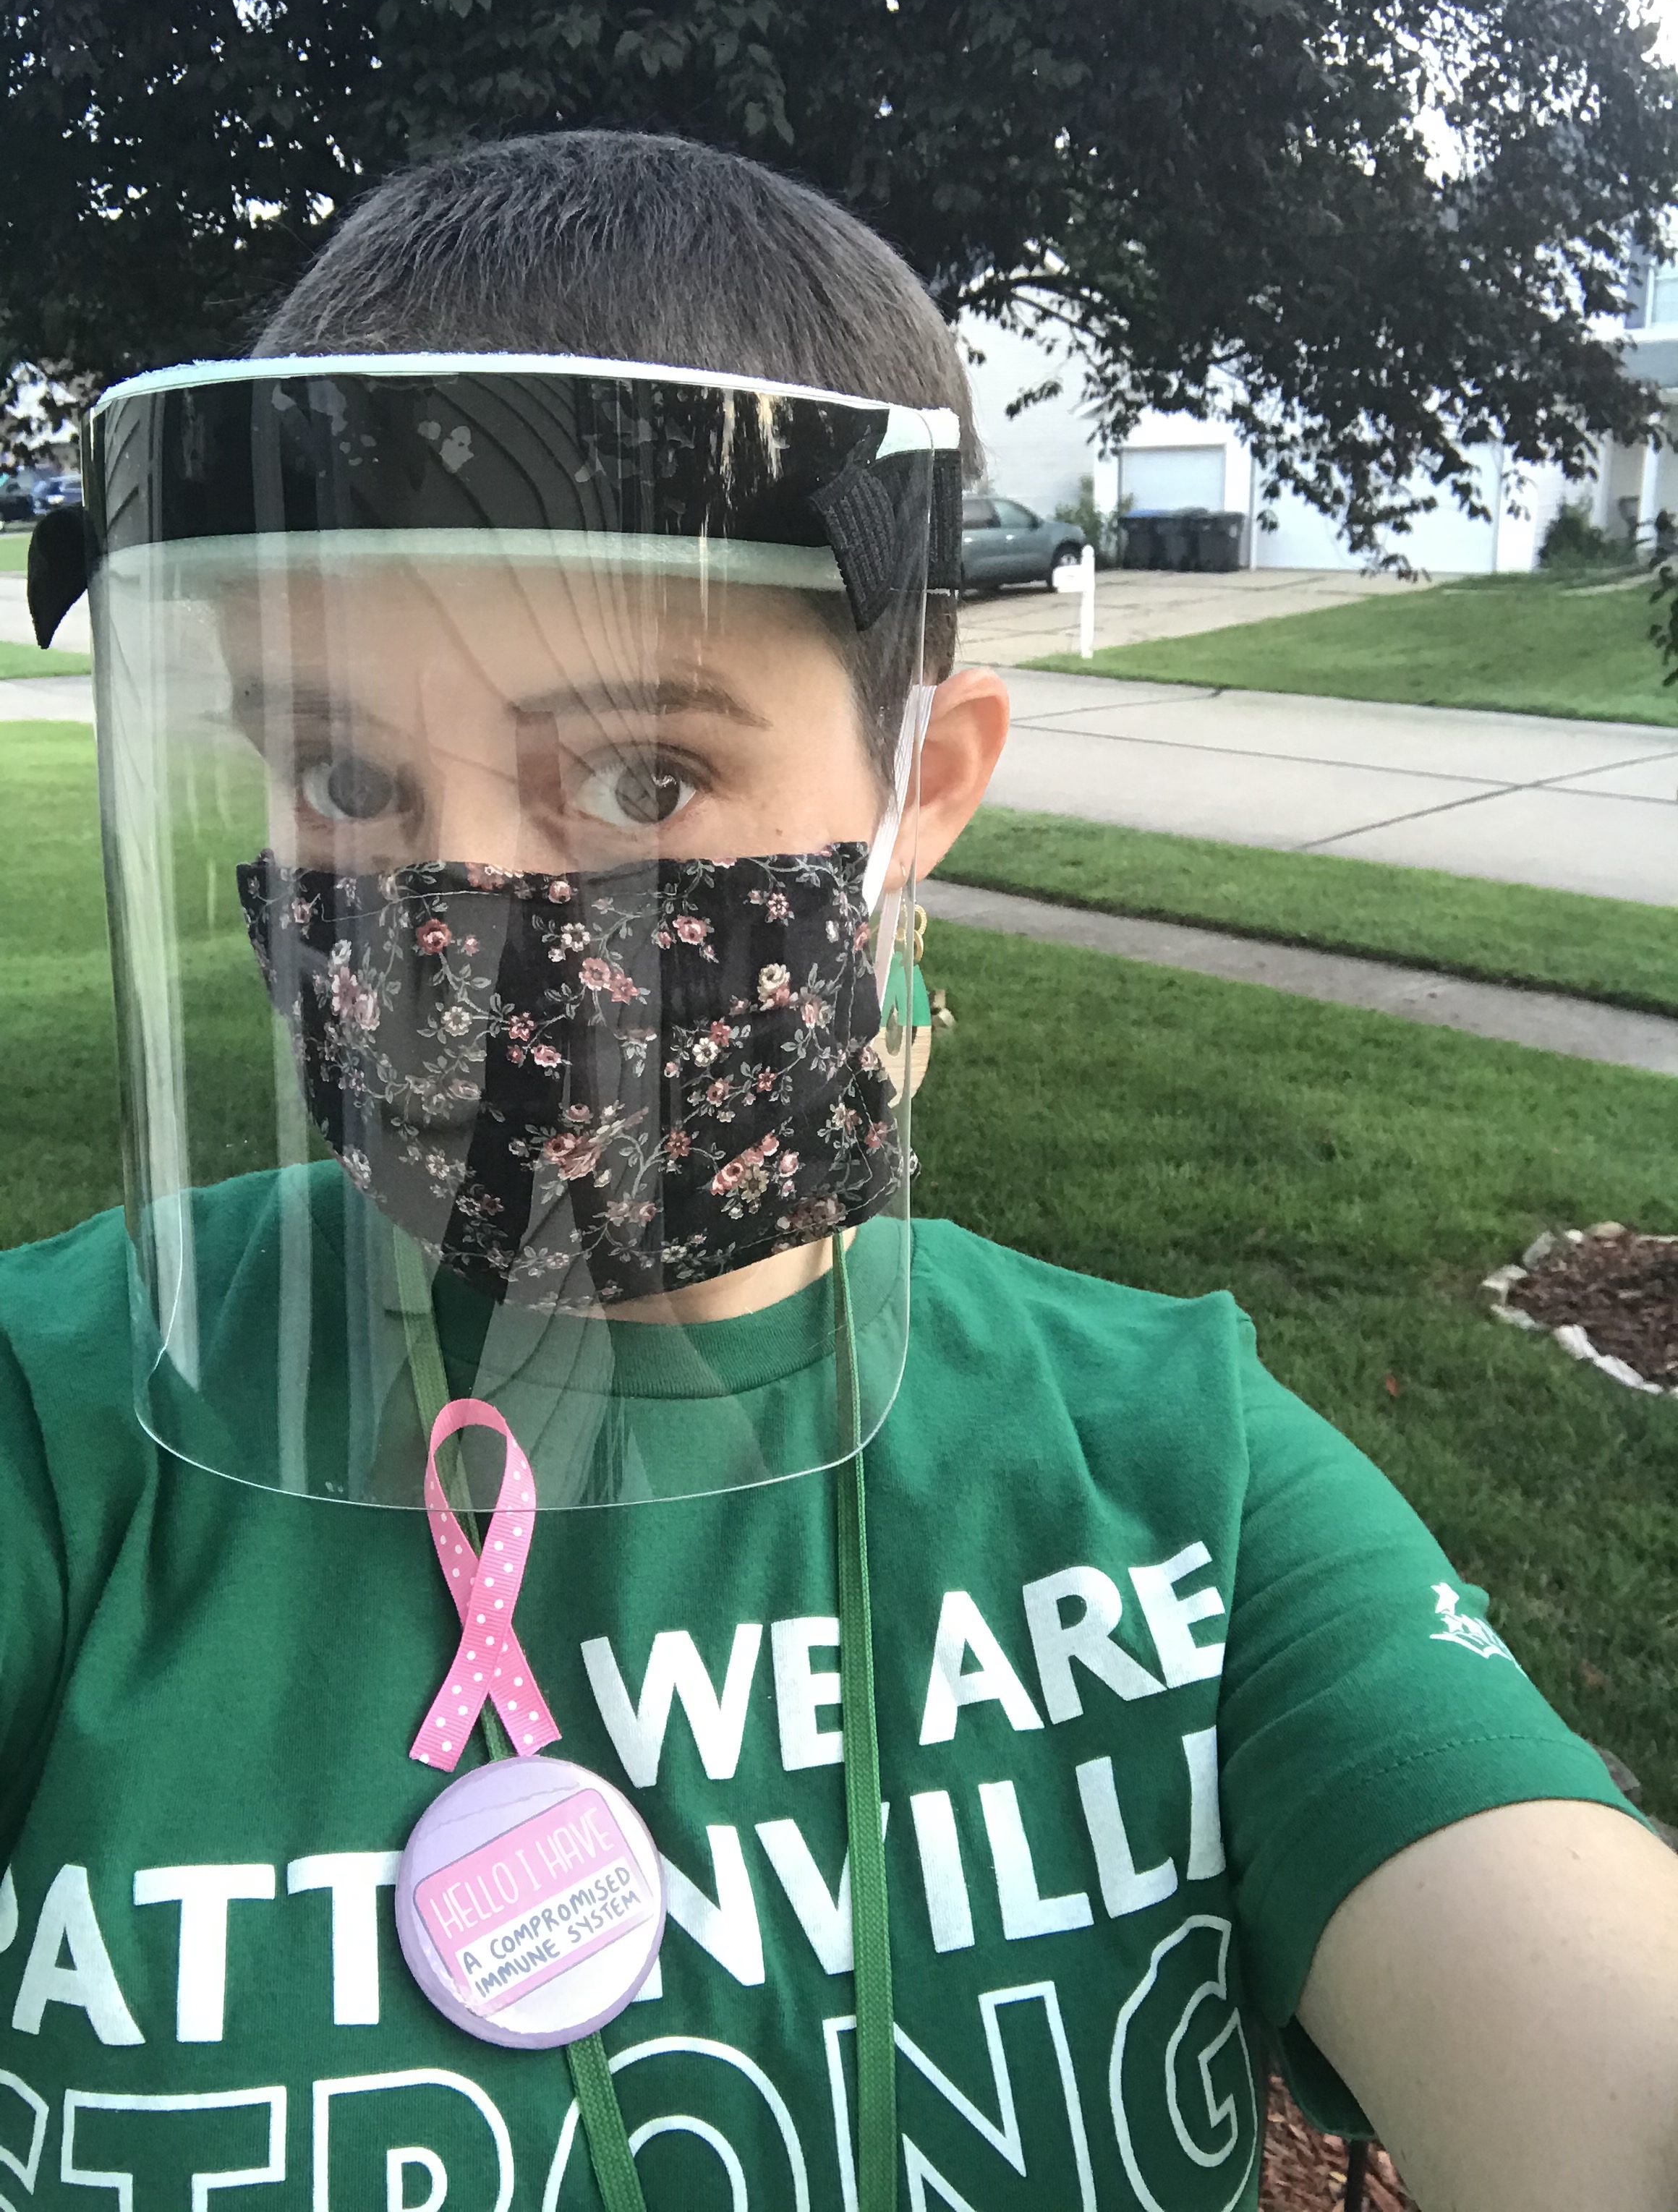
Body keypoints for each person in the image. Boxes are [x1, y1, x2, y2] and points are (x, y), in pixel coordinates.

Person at [3, 131, 1676, 2212]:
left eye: (643, 774)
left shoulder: (1176, 1483)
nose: (461, 908)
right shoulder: (63, 1432)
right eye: (342, 771)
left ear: (921, 789)